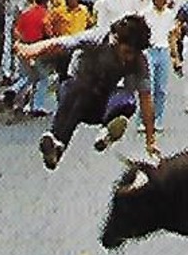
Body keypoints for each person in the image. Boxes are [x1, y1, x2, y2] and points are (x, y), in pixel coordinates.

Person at [17, 13, 158, 167]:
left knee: (128, 100)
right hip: (76, 96)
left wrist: (150, 141)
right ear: (116, 41)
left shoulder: (140, 61)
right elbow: (61, 43)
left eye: (134, 53)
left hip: (102, 106)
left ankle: (107, 132)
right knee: (76, 89)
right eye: (126, 52)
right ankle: (57, 143)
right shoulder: (97, 39)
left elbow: (146, 99)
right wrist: (30, 49)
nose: (129, 58)